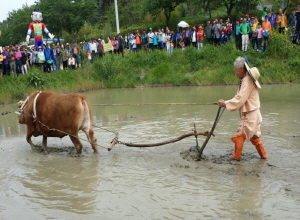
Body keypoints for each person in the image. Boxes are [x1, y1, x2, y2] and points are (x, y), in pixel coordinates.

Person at [218, 57, 268, 160]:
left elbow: (240, 98)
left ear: (241, 69)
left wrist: (225, 103)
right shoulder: (246, 79)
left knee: (240, 134)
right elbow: (240, 97)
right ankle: (264, 157)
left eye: (236, 70)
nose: (235, 73)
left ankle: (236, 159)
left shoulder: (246, 80)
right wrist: (226, 103)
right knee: (254, 137)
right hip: (255, 114)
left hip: (249, 114)